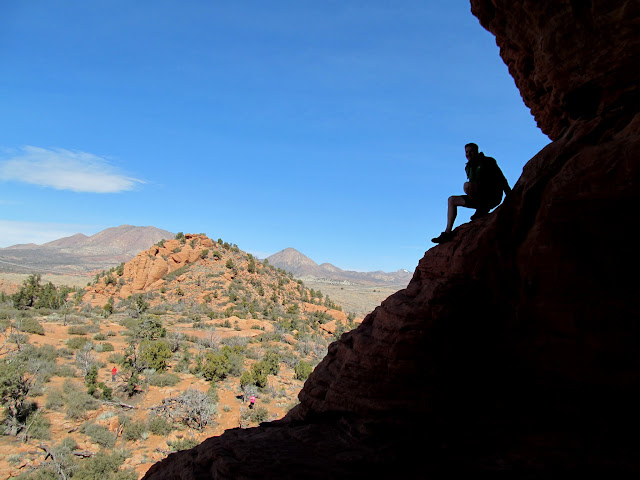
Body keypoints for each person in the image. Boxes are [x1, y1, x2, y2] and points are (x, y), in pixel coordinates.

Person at [432, 143, 511, 243]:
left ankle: (482, 208)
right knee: (452, 200)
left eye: (471, 151)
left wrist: (509, 194)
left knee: (467, 186)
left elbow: (501, 178)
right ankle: (447, 232)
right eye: (467, 152)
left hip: (491, 196)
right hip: (478, 198)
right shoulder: (468, 167)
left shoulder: (488, 161)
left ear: (477, 151)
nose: (469, 154)